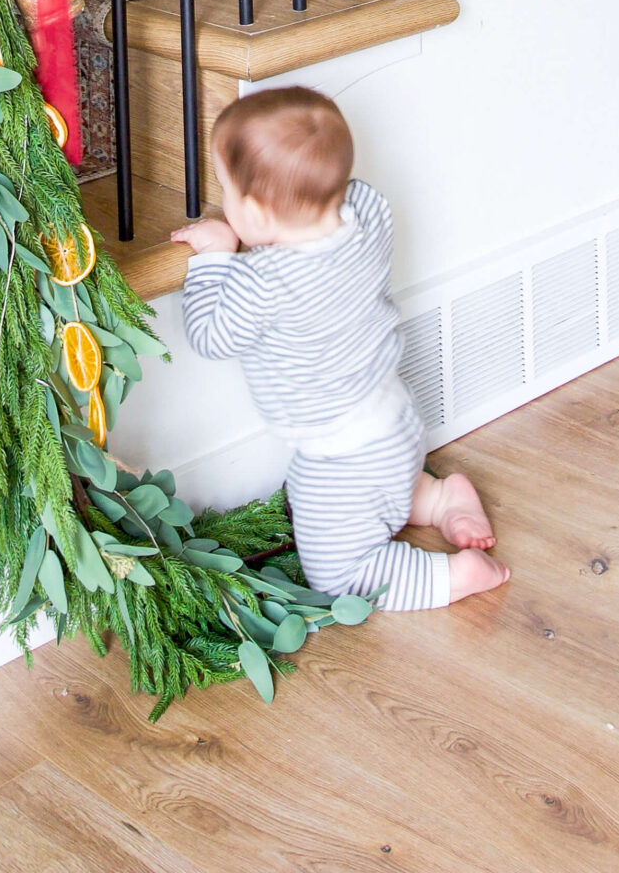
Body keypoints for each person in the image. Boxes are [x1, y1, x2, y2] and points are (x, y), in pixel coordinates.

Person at [173, 88, 509, 611]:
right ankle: (442, 498)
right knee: (383, 497)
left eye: (227, 190)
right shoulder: (369, 212)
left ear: (258, 214)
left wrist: (217, 255)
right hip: (395, 421)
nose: (223, 199)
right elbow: (337, 190)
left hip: (340, 457)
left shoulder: (264, 281)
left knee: (337, 572)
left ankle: (453, 576)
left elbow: (211, 336)